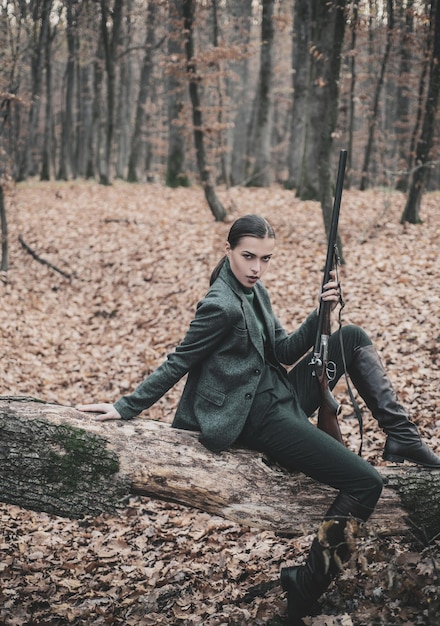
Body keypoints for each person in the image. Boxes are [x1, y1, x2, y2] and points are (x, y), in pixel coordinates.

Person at [77, 214, 440, 625]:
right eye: (248, 256)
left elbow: (283, 352)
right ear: (228, 250)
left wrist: (321, 312)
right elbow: (179, 360)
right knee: (366, 482)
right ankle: (304, 587)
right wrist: (125, 407)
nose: (256, 268)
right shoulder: (220, 304)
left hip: (280, 394)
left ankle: (402, 436)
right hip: (256, 417)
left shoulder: (256, 291)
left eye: (265, 259)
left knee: (351, 337)